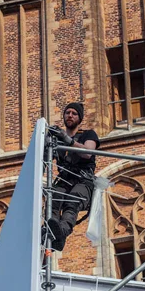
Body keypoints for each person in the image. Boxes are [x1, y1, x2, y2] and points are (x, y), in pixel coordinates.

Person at [46, 102, 100, 251]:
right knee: (53, 199)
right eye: (67, 112)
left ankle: (62, 231)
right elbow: (45, 160)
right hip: (65, 180)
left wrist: (68, 140)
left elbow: (88, 152)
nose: (70, 115)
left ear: (79, 118)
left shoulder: (88, 135)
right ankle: (53, 232)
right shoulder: (57, 140)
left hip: (83, 180)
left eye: (74, 113)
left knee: (73, 201)